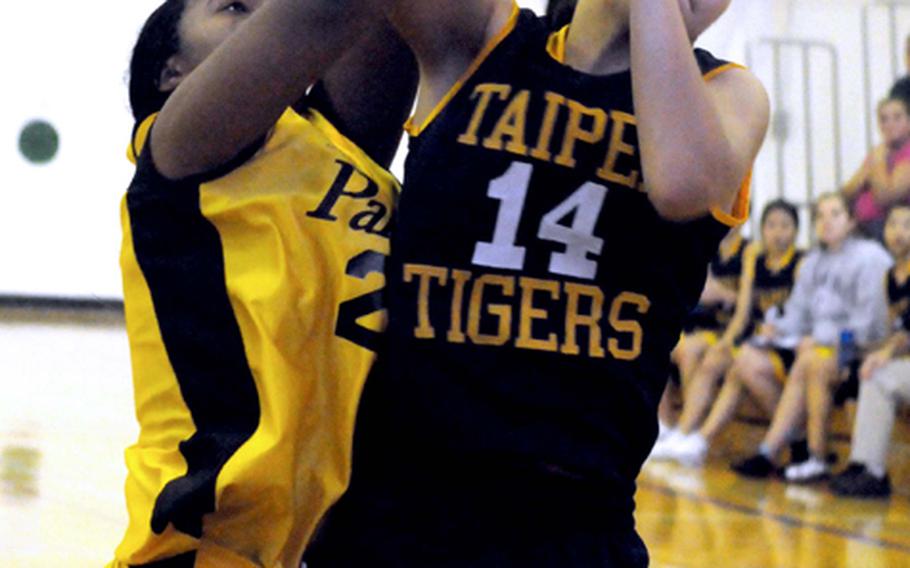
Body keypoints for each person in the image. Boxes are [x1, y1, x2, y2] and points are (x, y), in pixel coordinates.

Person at [305, 0, 769, 566]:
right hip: (399, 497)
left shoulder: (730, 94)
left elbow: (680, 183)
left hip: (574, 514)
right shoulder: (488, 36)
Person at [109, 1, 416, 566]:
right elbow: (325, 15)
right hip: (203, 544)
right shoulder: (180, 144)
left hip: (343, 544)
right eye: (234, 7)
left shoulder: (337, 145)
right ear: (171, 72)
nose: (265, 13)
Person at [731, 193, 892, 483]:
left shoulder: (870, 257)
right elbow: (798, 312)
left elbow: (870, 325)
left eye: (835, 214)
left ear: (851, 220)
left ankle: (806, 453)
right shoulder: (815, 260)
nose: (826, 222)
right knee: (747, 358)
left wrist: (820, 339)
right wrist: (777, 328)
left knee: (813, 361)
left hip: (858, 347)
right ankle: (790, 450)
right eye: (820, 216)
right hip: (818, 346)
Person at [652, 199, 803, 466]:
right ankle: (671, 428)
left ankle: (687, 431)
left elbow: (740, 307)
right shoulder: (713, 248)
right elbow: (704, 292)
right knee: (658, 344)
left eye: (784, 225)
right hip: (736, 334)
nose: (777, 232)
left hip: (752, 335)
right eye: (771, 225)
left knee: (699, 354)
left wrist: (728, 332)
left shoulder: (758, 254)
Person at [830, 204, 910, 498]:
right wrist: (859, 350)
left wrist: (885, 354)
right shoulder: (891, 275)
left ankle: (870, 468)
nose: (899, 233)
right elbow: (896, 332)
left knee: (878, 376)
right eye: (893, 225)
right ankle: (861, 464)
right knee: (858, 368)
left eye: (907, 225)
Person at [656, 227, 750, 441]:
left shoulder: (748, 251)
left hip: (729, 330)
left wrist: (724, 294)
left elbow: (742, 301)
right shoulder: (708, 247)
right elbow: (700, 290)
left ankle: (689, 427)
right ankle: (664, 423)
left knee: (689, 352)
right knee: (657, 346)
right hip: (704, 326)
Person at [842, 96, 910, 241]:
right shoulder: (881, 151)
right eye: (884, 119)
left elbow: (885, 197)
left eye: (897, 117)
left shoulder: (886, 154)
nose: (890, 124)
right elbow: (846, 192)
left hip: (887, 228)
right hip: (860, 224)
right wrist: (868, 174)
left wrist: (876, 164)